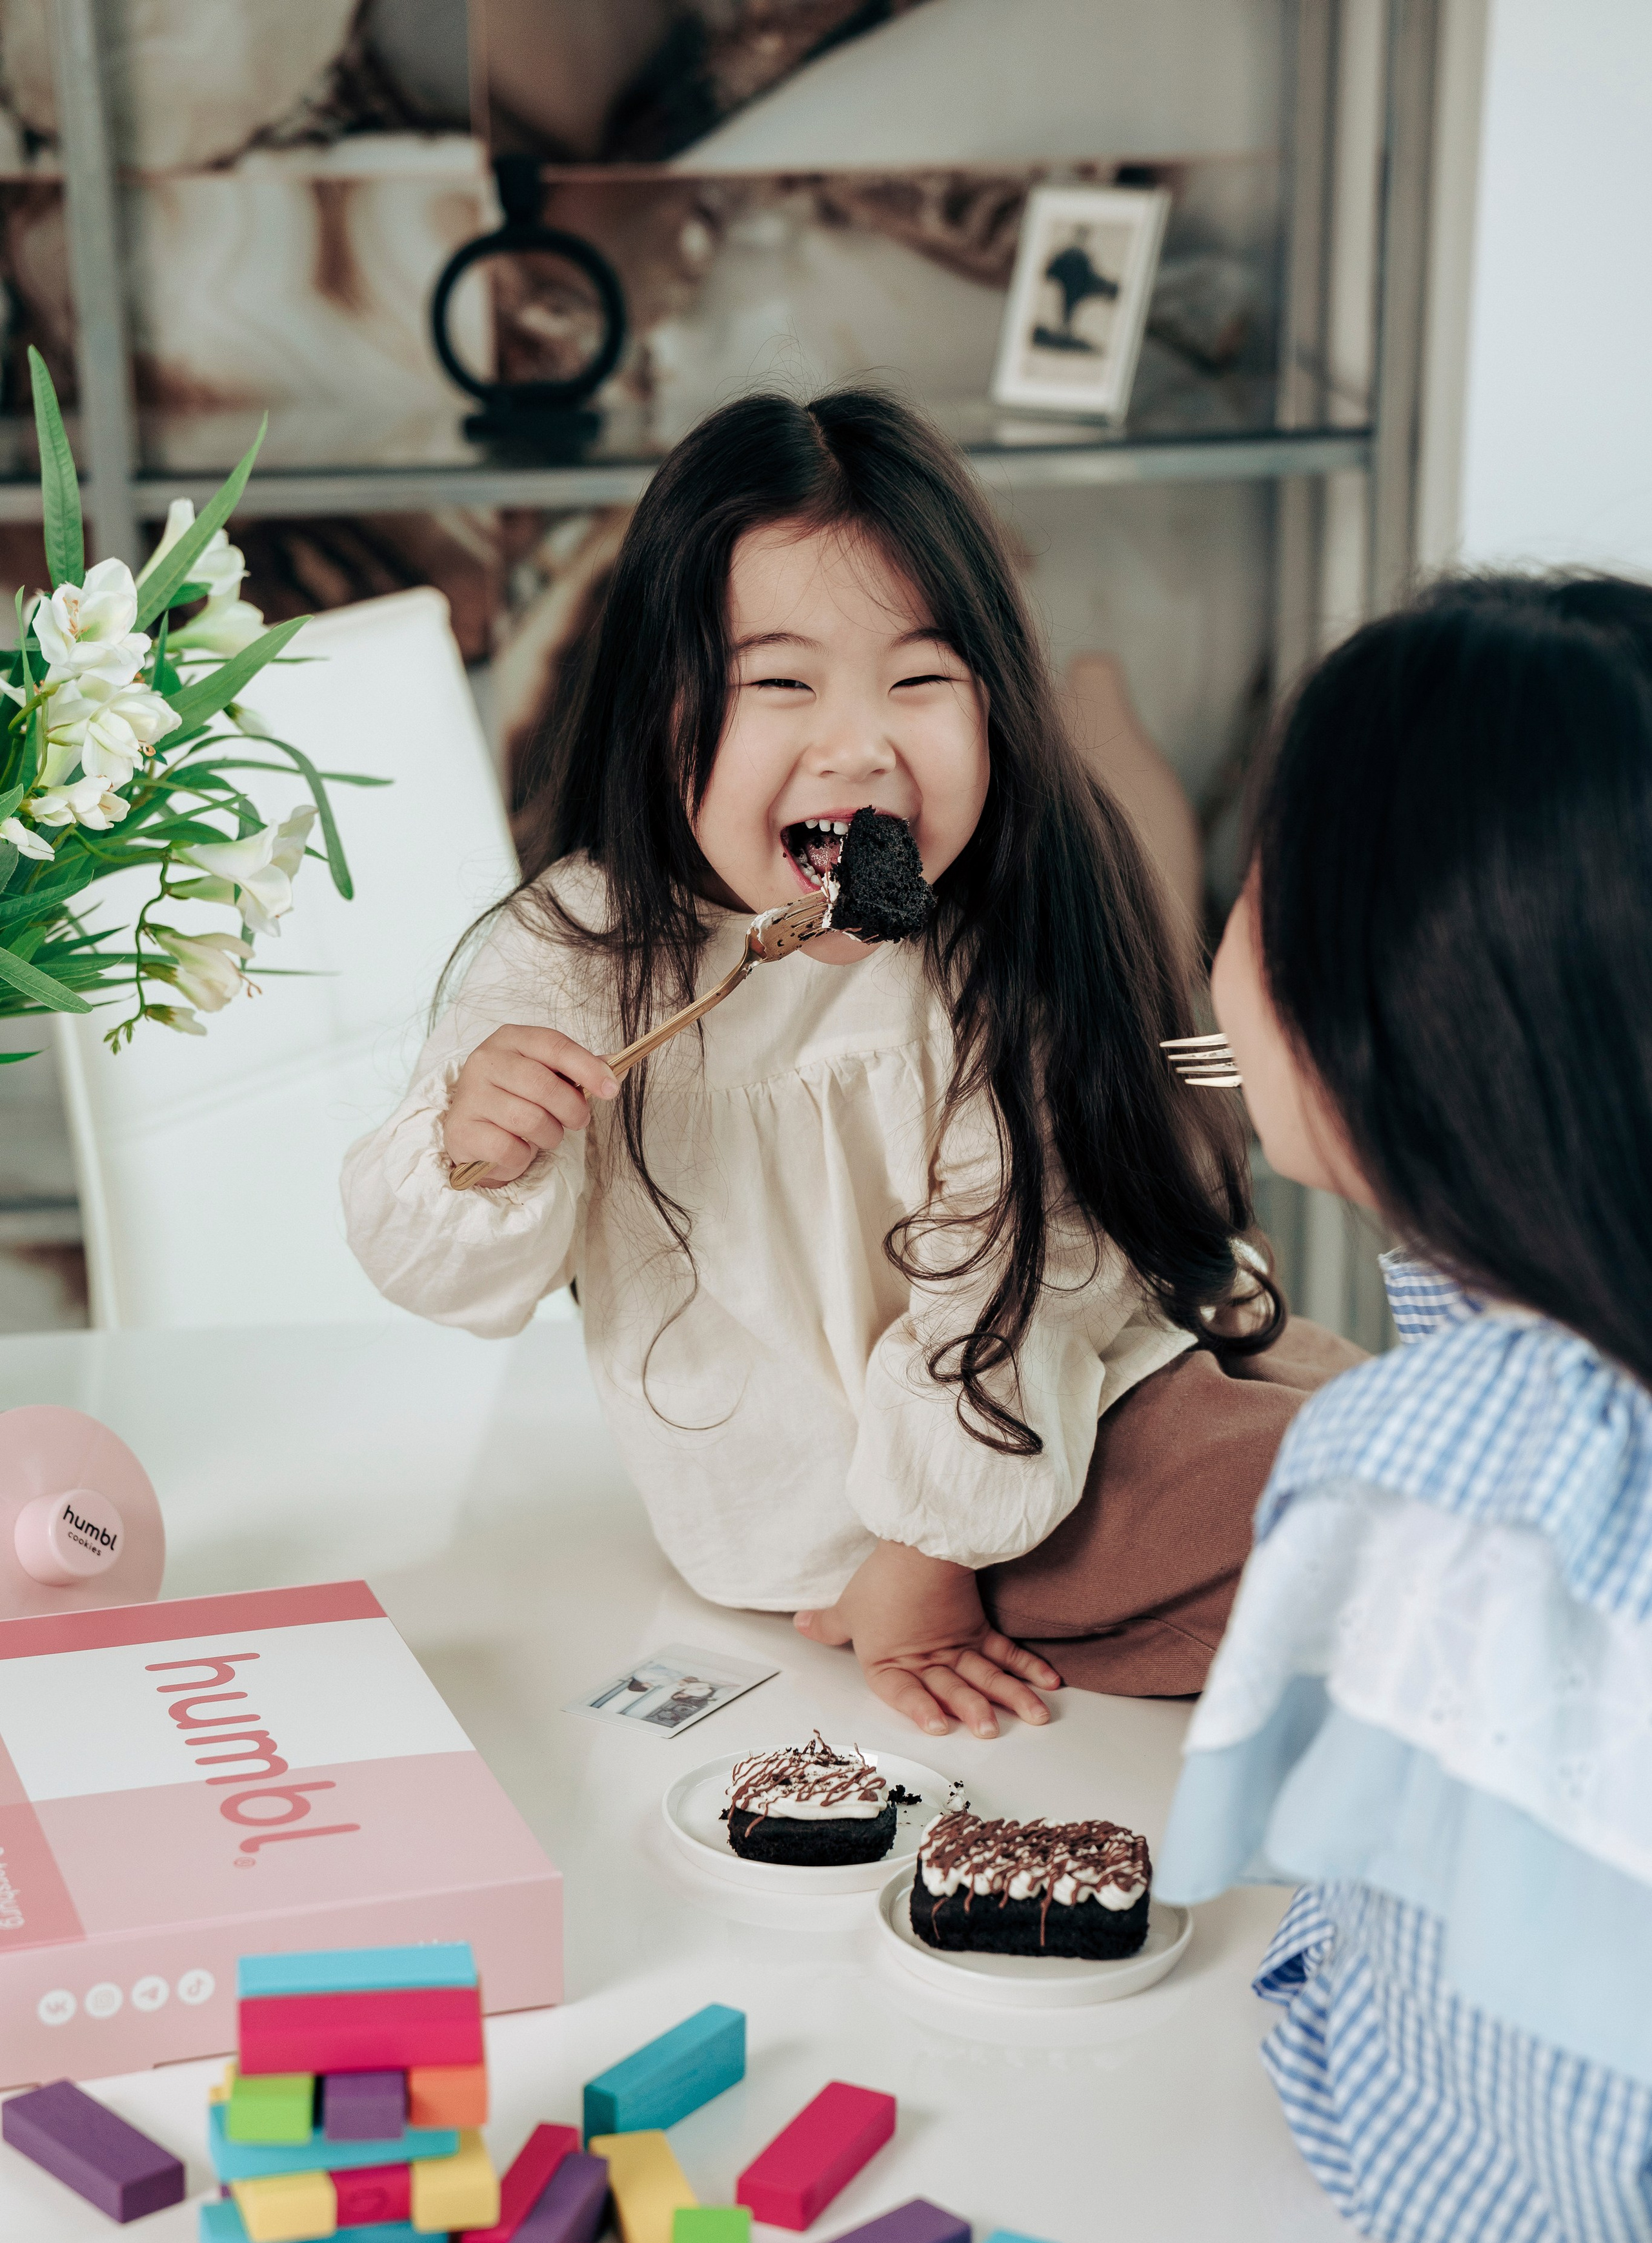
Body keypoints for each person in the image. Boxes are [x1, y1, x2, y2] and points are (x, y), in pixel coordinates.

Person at [343, 387, 1351, 1736]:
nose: (862, 744)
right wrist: (479, 1147)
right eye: (781, 683)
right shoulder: (573, 954)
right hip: (949, 1518)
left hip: (1045, 1399)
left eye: (920, 681)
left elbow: (1026, 1268)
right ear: (660, 707)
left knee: (1430, 1424)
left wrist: (931, 1544)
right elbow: (446, 1274)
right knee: (1398, 1516)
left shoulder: (1002, 939)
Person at [1157, 574, 1652, 2243]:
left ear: (1377, 999)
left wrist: (1326, 2030)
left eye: (1257, 881)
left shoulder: (1448, 1477)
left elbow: (1560, 2180)